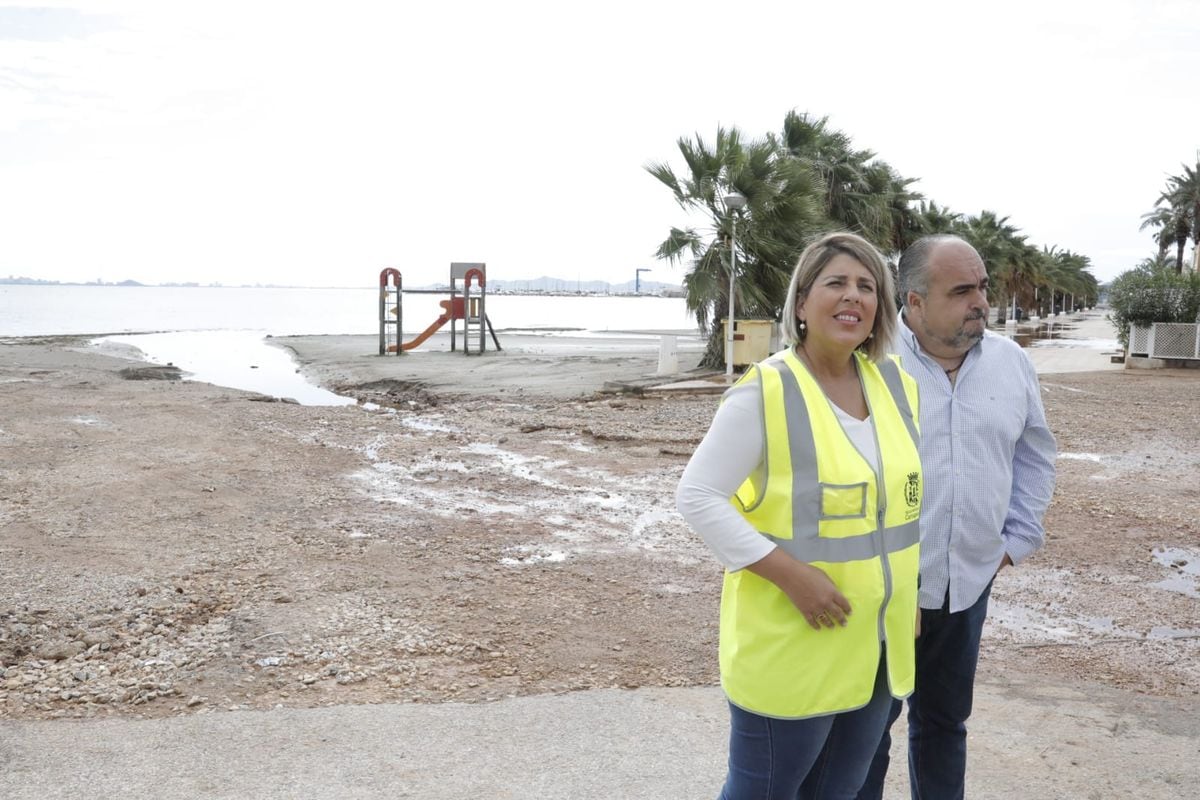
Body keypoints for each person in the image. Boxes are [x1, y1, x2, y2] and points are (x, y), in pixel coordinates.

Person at [676, 231, 924, 799]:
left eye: (867, 287)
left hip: (876, 645)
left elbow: (901, 507)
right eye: (836, 283)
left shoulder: (895, 385)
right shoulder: (767, 390)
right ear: (803, 302)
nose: (853, 297)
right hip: (793, 642)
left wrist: (909, 591)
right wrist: (792, 576)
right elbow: (698, 495)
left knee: (839, 790)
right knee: (764, 792)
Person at [856, 235, 1057, 799]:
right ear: (914, 302)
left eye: (983, 287)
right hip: (883, 584)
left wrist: (1016, 538)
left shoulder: (1011, 363)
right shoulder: (869, 362)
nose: (981, 303)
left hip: (969, 579)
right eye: (962, 291)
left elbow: (1035, 452)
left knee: (945, 723)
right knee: (867, 728)